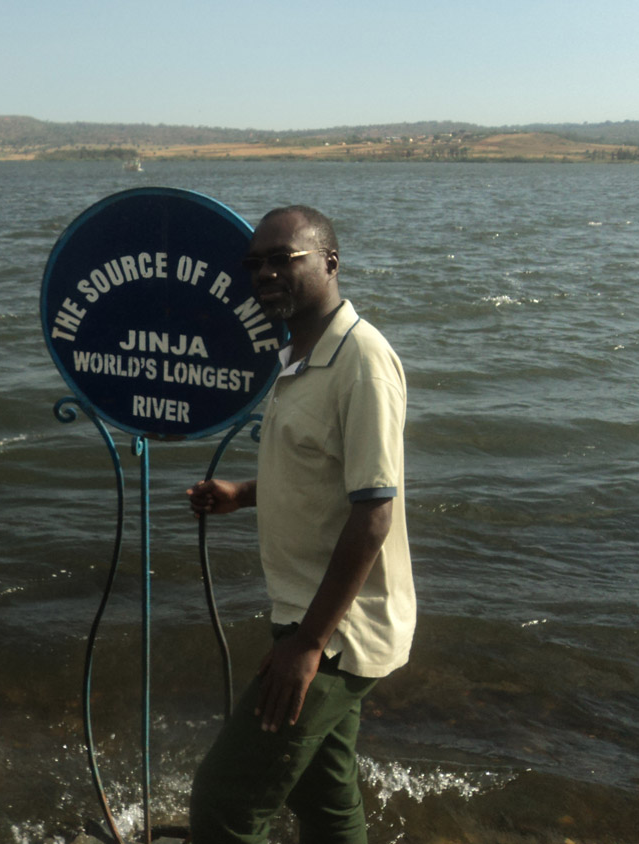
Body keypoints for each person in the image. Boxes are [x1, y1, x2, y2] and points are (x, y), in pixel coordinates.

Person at [187, 205, 416, 844]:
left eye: (282, 260)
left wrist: (308, 645)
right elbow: (326, 478)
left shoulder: (362, 362)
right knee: (325, 799)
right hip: (307, 614)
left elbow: (374, 514)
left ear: (329, 262)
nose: (264, 274)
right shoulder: (300, 356)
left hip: (337, 632)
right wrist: (244, 494)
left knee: (226, 803)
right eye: (254, 264)